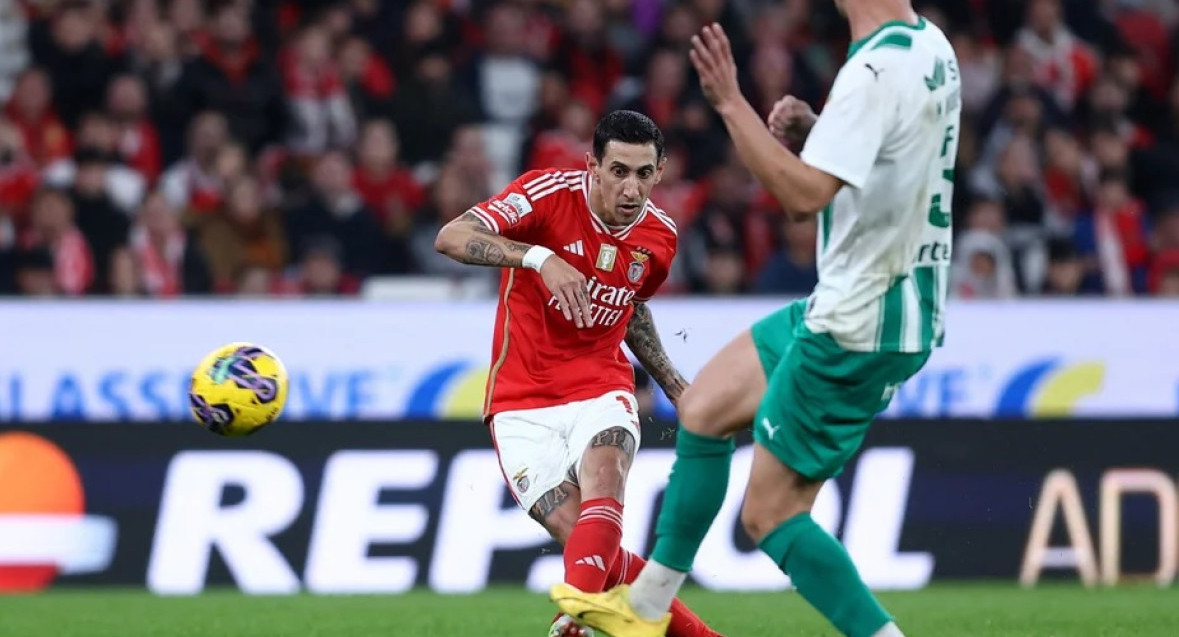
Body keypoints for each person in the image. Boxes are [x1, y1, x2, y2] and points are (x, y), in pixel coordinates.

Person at [552, 2, 961, 636]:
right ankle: (648, 605)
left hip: (859, 322)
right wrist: (823, 130)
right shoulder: (929, 46)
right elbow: (898, 156)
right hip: (873, 297)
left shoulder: (875, 67)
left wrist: (729, 103)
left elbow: (803, 200)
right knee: (704, 409)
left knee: (771, 514)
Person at [434, 110, 722, 637]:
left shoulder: (659, 237)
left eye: (643, 173)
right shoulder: (545, 195)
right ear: (591, 165)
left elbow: (630, 309)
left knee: (607, 475)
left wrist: (674, 384)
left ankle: (576, 618)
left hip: (600, 384)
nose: (630, 187)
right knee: (592, 549)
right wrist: (538, 258)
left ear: (660, 173)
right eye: (617, 170)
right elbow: (452, 237)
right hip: (520, 401)